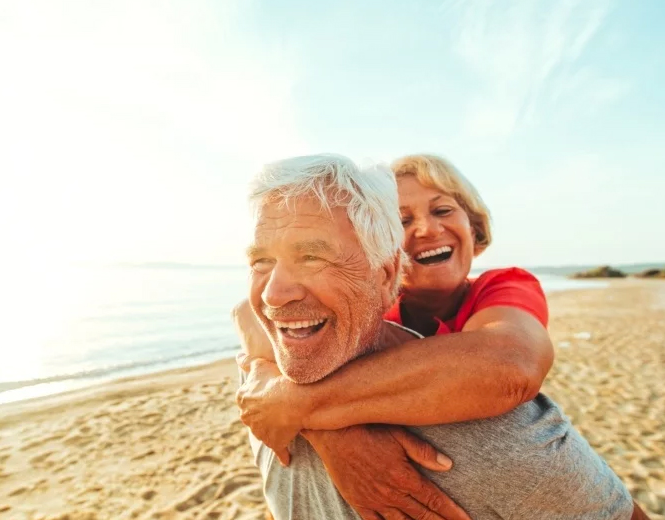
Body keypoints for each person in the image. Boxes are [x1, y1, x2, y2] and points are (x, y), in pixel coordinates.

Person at [235, 153, 645, 520]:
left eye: (443, 210)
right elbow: (249, 315)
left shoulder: (501, 287)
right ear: (385, 252)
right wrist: (334, 435)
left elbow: (509, 365)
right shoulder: (368, 312)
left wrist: (295, 403)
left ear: (474, 225)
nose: (427, 229)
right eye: (403, 219)